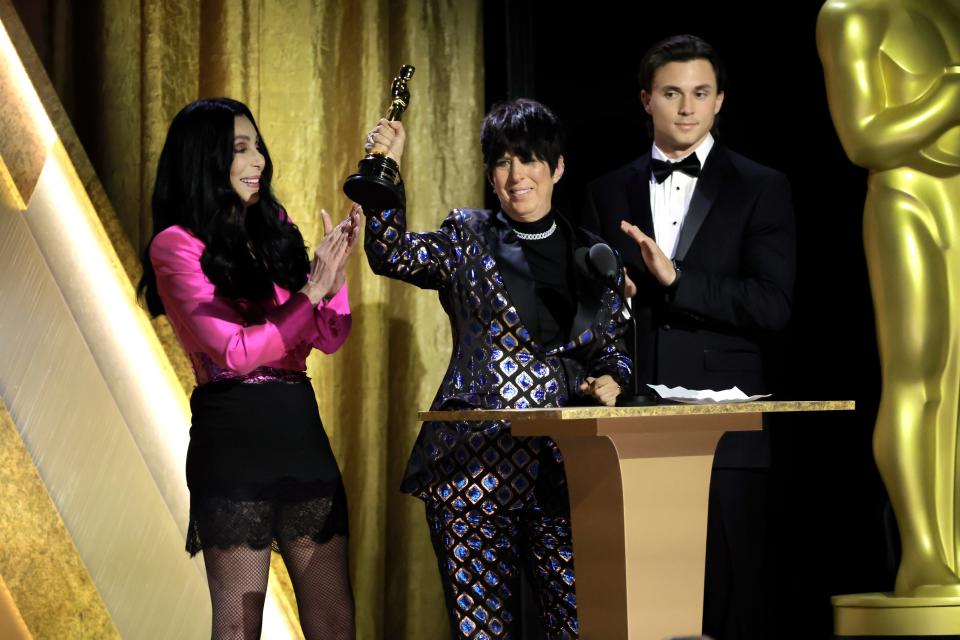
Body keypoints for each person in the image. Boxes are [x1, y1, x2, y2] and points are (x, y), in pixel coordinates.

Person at [359, 99, 630, 639]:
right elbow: (393, 255)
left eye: (529, 160)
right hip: (472, 473)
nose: (516, 175)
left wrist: (614, 377)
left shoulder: (594, 256)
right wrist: (383, 169)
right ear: (490, 175)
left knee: (580, 628)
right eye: (503, 163)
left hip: (564, 472)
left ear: (557, 168)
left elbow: (611, 347)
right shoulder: (467, 235)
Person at [584, 35, 796, 639]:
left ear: (720, 101)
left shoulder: (760, 186)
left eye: (700, 93)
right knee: (645, 602)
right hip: (632, 424)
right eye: (672, 93)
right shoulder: (606, 191)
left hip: (726, 425)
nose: (687, 108)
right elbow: (591, 310)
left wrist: (678, 279)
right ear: (646, 100)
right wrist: (611, 302)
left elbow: (773, 305)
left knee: (733, 600)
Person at [138, 97, 360, 639]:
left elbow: (328, 336)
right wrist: (311, 290)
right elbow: (233, 352)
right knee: (239, 626)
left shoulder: (274, 227)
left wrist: (333, 279)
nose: (257, 159)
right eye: (240, 149)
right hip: (234, 436)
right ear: (205, 159)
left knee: (334, 620)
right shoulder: (175, 246)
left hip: (297, 428)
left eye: (257, 145)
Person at [818, 0, 960, 597]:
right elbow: (865, 138)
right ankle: (923, 552)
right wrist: (946, 98)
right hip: (907, 198)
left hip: (955, 197)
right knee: (917, 377)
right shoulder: (851, 13)